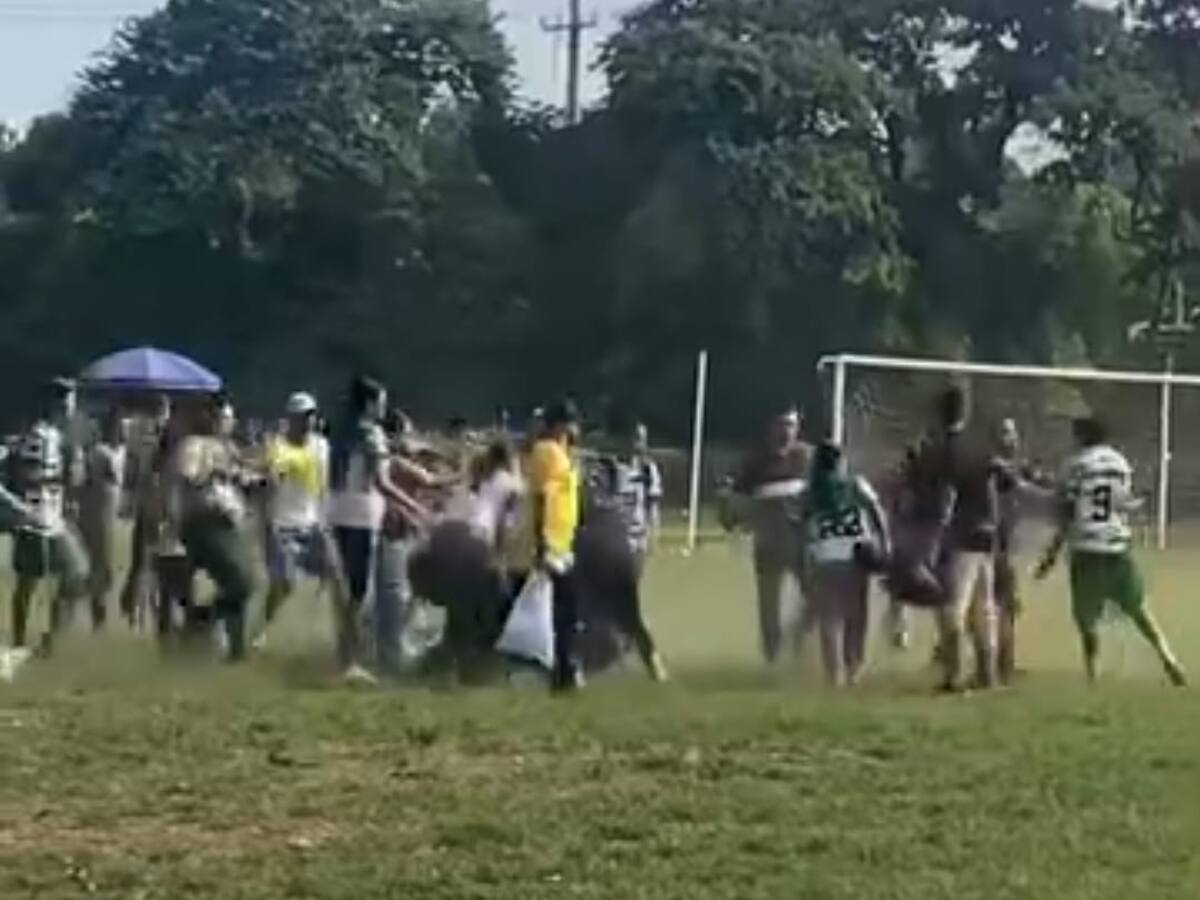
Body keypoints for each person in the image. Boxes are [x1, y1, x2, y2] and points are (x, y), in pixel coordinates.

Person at [1035, 417, 1186, 686]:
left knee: (1087, 619)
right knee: (1139, 609)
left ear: (1080, 437)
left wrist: (1050, 555)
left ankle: (1093, 675)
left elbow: (1067, 512)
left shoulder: (1074, 465)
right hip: (1116, 545)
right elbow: (1122, 503)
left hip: (1086, 547)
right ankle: (1169, 658)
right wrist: (1139, 502)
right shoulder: (1119, 463)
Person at [327, 376, 428, 684]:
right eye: (381, 401)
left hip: (336, 512)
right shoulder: (371, 434)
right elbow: (382, 483)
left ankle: (346, 656)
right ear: (370, 403)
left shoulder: (339, 430)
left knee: (347, 592)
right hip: (362, 517)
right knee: (359, 592)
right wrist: (416, 508)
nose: (384, 407)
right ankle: (351, 662)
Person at [916, 386, 1007, 692]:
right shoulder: (980, 446)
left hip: (960, 535)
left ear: (937, 413)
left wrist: (933, 538)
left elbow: (944, 497)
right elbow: (1004, 480)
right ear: (965, 412)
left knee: (951, 606)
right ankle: (988, 673)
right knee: (984, 608)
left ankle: (954, 675)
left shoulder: (939, 450)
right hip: (987, 535)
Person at [7, 382, 90, 654]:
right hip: (35, 516)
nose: (73, 408)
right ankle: (20, 641)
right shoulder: (38, 436)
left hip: (53, 518)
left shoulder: (58, 436)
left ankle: (50, 638)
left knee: (76, 573)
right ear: (60, 404)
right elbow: (25, 476)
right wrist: (58, 478)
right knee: (29, 582)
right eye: (70, 402)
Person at [799, 442, 891, 687]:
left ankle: (834, 673)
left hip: (825, 557)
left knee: (830, 618)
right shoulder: (855, 484)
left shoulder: (810, 491)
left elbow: (802, 525)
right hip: (856, 555)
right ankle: (854, 667)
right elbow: (876, 510)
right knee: (857, 615)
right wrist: (885, 541)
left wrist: (805, 556)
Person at [374, 409, 458, 675]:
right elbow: (430, 480)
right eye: (407, 432)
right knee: (399, 596)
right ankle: (391, 651)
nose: (412, 439)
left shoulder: (390, 458)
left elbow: (423, 455)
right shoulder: (395, 462)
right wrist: (464, 476)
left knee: (403, 596)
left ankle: (390, 645)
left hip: (398, 533)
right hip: (393, 534)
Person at [735, 407, 813, 665]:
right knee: (769, 608)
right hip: (768, 543)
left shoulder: (807, 458)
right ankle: (772, 658)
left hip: (802, 543)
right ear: (770, 428)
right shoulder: (754, 461)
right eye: (780, 424)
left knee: (818, 597)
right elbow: (738, 501)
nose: (785, 431)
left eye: (790, 424)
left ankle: (799, 637)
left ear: (798, 427)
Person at [256, 392, 333, 648]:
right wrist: (266, 528)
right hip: (282, 527)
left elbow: (322, 486)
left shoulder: (321, 445)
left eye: (311, 415)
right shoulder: (278, 447)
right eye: (302, 416)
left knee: (336, 574)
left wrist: (325, 520)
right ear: (291, 418)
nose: (308, 421)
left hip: (311, 525)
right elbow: (271, 486)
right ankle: (261, 629)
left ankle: (340, 638)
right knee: (285, 583)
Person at [530, 399, 585, 692]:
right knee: (562, 611)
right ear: (561, 424)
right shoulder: (546, 452)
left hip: (564, 541)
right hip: (551, 541)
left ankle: (566, 668)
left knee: (568, 611)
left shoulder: (562, 453)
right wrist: (541, 540)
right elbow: (541, 497)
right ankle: (562, 671)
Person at [79, 408, 127, 631]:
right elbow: (87, 481)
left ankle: (102, 612)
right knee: (99, 565)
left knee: (108, 567)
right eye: (119, 427)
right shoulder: (99, 452)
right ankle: (97, 613)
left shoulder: (122, 452)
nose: (123, 431)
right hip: (95, 513)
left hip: (111, 514)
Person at [606, 422, 664, 572]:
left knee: (633, 582)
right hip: (618, 537)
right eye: (637, 438)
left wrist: (654, 535)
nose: (639, 443)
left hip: (639, 538)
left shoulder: (649, 470)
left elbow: (653, 505)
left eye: (643, 439)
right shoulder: (614, 468)